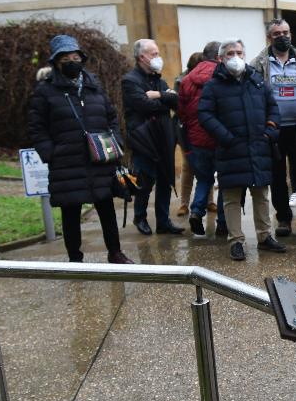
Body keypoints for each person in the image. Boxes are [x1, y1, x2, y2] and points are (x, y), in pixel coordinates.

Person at [27, 35, 134, 265]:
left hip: (100, 159)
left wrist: (115, 141)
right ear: (56, 62)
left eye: (75, 56)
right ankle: (75, 258)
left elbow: (111, 116)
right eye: (66, 58)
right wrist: (50, 153)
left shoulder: (94, 86)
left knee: (106, 207)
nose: (72, 61)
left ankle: (115, 252)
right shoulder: (46, 91)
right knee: (71, 211)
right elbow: (37, 128)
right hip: (66, 161)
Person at [197, 40, 287, 261]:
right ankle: (236, 240)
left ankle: (265, 236)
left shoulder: (257, 81)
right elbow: (205, 115)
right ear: (221, 58)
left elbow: (273, 109)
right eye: (230, 53)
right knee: (231, 198)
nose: (235, 56)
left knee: (261, 195)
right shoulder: (213, 85)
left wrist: (270, 132)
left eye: (239, 52)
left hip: (258, 146)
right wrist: (225, 137)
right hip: (231, 149)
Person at [252, 18, 296, 238]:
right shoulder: (259, 63)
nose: (282, 36)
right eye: (277, 33)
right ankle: (284, 219)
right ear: (269, 37)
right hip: (273, 128)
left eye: (285, 32)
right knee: (277, 177)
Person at [121, 39, 183, 236]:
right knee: (145, 181)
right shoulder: (130, 81)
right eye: (154, 54)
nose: (158, 58)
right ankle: (140, 217)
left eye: (158, 53)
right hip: (144, 138)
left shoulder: (159, 79)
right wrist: (165, 97)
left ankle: (163, 221)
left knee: (165, 180)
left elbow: (177, 102)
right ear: (142, 57)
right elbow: (143, 105)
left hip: (163, 137)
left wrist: (157, 95)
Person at [178, 41, 228, 238]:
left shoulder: (187, 80)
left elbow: (181, 112)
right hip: (220, 138)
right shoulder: (223, 76)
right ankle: (223, 223)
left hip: (197, 139)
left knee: (204, 179)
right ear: (218, 57)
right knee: (225, 182)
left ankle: (197, 211)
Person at [175, 52, 204, 217]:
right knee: (188, 167)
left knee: (206, 168)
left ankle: (209, 201)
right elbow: (179, 108)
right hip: (186, 130)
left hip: (203, 129)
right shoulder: (181, 81)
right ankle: (184, 203)